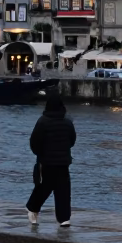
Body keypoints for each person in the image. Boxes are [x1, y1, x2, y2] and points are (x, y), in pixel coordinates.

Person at [26, 91, 76, 226]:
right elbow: (72, 141)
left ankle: (33, 208)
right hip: (63, 162)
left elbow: (34, 142)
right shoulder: (68, 122)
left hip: (46, 162)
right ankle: (64, 218)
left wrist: (40, 154)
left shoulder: (42, 122)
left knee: (43, 187)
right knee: (63, 190)